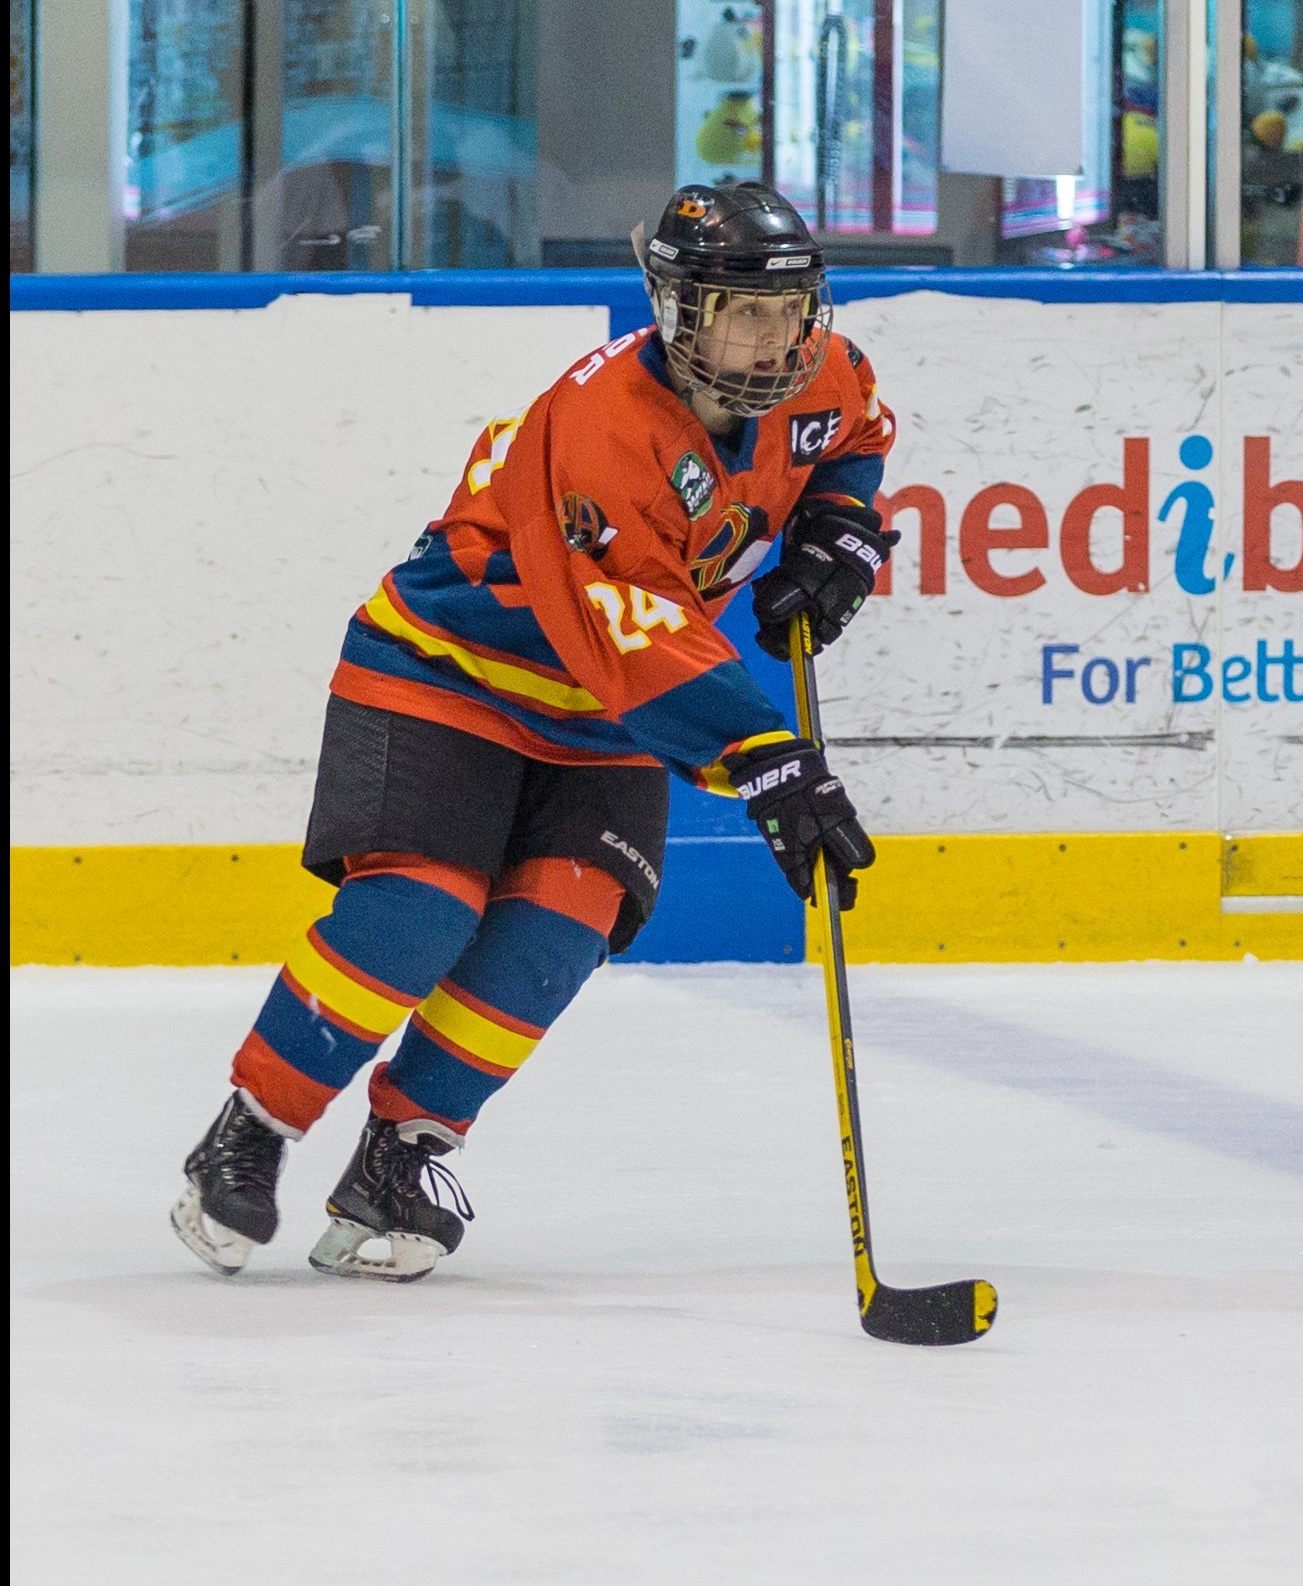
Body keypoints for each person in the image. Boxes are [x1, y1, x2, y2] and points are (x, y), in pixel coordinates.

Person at [171, 183, 897, 1279]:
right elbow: (630, 629)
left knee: (556, 931)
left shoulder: (821, 378)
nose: (775, 336)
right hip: (445, 676)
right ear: (677, 311)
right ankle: (252, 1128)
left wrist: (842, 532)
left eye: (790, 309)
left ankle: (402, 1154)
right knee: (418, 911)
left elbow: (857, 438)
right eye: (742, 311)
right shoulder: (602, 428)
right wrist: (767, 762)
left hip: (601, 717)